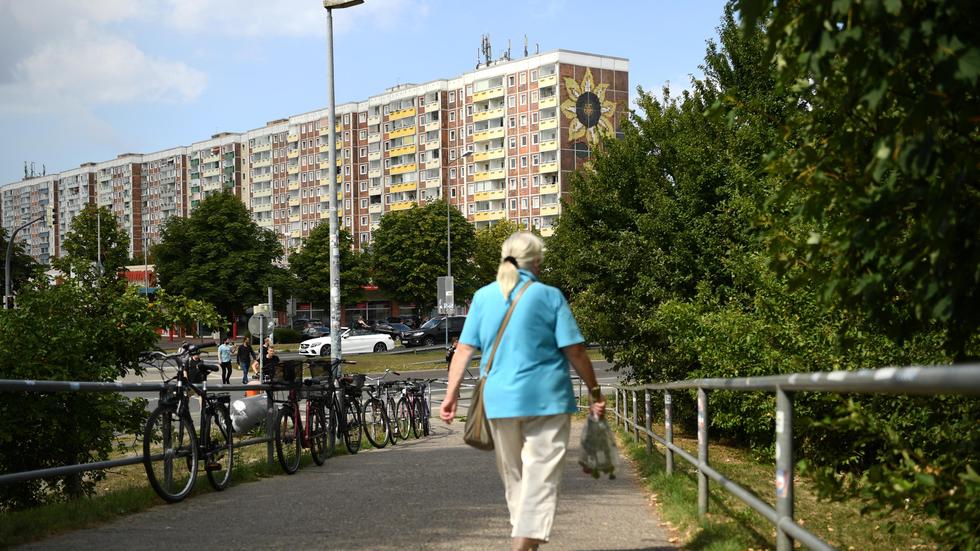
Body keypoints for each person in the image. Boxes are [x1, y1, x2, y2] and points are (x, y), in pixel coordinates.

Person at [440, 231, 606, 551]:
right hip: (548, 399)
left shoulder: (483, 297)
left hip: (500, 401)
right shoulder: (550, 296)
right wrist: (595, 391)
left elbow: (463, 350)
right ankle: (521, 545)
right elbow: (576, 352)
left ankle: (523, 541)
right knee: (540, 477)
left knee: (515, 478)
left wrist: (451, 395)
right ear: (538, 262)